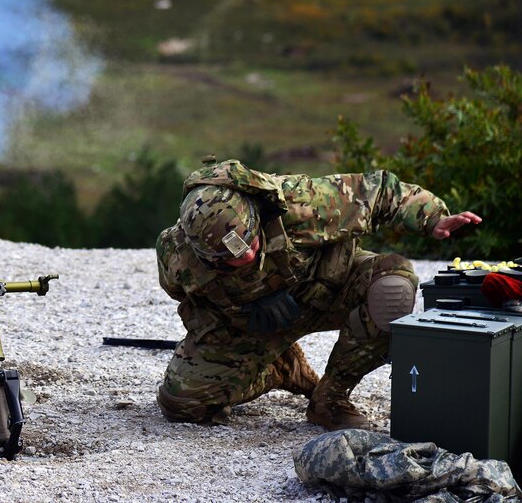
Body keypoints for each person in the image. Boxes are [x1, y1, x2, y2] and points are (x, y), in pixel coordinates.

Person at [156, 158, 482, 430]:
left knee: (393, 289)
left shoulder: (299, 204)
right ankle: (280, 369)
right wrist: (236, 320)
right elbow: (193, 307)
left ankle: (331, 398)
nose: (246, 256)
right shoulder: (176, 257)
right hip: (254, 325)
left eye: (250, 241)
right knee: (183, 404)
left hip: (328, 291)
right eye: (231, 257)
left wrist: (433, 217)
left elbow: (380, 191)